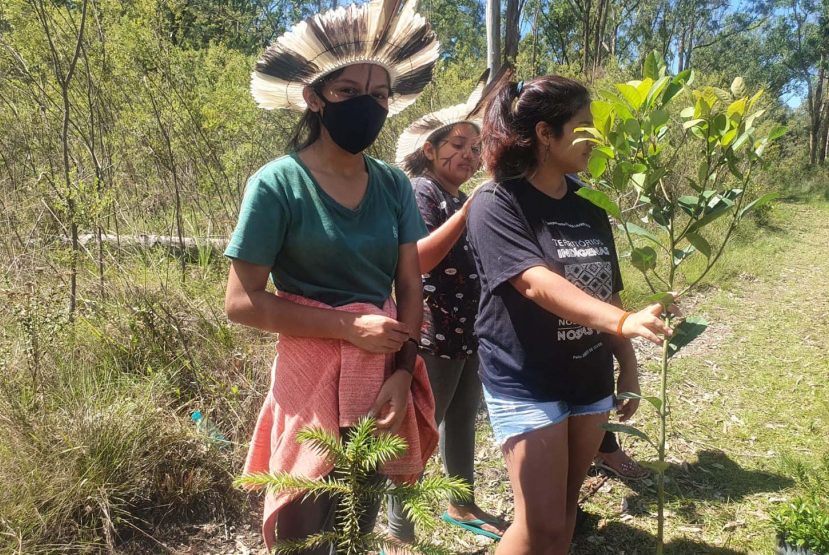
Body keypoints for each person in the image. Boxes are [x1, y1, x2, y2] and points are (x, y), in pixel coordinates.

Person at [223, 1, 441, 551]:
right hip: (311, 376)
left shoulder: (392, 185)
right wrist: (347, 329)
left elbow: (410, 288)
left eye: (379, 95)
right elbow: (242, 301)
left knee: (356, 521)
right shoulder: (278, 185)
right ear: (315, 98)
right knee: (303, 518)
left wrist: (401, 370)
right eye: (348, 92)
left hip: (380, 374)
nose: (367, 105)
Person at [466, 75, 674, 555]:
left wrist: (629, 363)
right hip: (526, 381)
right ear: (545, 133)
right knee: (537, 525)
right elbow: (536, 281)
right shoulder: (496, 202)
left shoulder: (589, 201)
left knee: (562, 516)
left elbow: (609, 290)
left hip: (589, 381)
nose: (594, 139)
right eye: (584, 126)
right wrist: (622, 324)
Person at [384, 69, 510, 552]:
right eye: (457, 144)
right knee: (416, 426)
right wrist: (465, 213)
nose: (468, 155)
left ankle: (460, 501)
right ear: (431, 150)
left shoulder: (460, 197)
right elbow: (419, 258)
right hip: (433, 332)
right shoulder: (422, 191)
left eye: (475, 149)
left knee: (461, 420)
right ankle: (400, 529)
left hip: (470, 332)